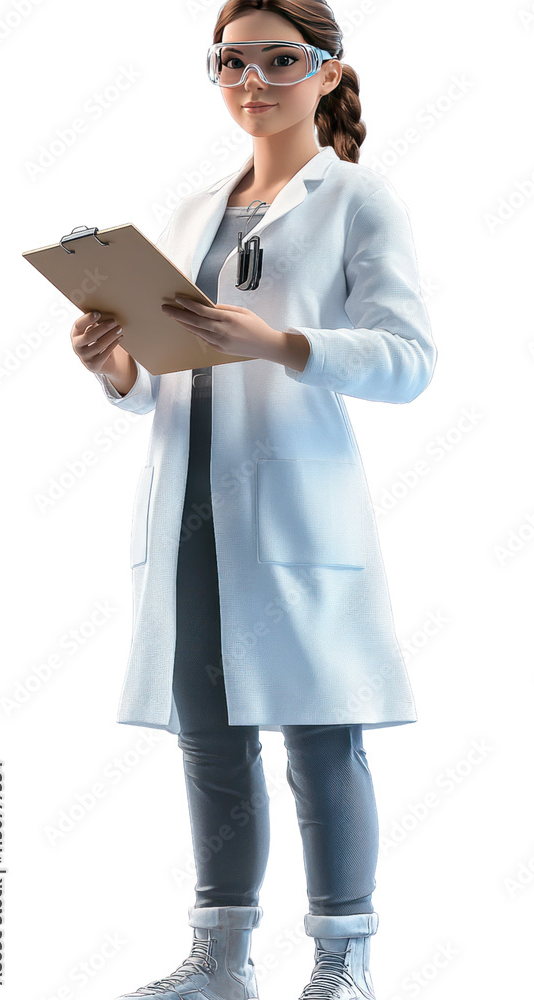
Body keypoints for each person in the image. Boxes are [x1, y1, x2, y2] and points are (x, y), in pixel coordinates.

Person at [70, 2, 437, 998]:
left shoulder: (358, 199)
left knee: (321, 730)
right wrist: (114, 366)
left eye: (281, 60)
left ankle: (341, 964)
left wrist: (280, 344)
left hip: (293, 512)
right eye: (231, 61)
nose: (253, 81)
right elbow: (167, 371)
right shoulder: (194, 211)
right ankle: (219, 960)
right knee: (209, 731)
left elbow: (410, 360)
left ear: (327, 72)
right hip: (189, 509)